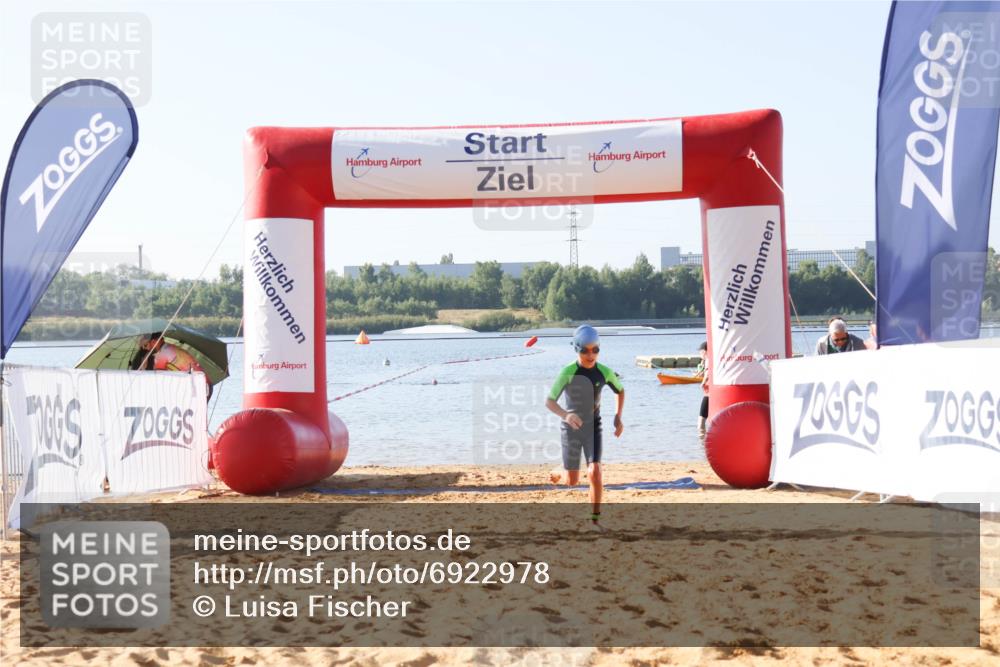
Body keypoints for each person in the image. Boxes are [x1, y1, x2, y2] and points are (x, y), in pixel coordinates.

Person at [545, 325, 625, 526]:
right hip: (570, 429)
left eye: (595, 350)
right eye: (585, 350)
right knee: (572, 481)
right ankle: (559, 470)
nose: (591, 355)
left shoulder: (605, 372)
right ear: (576, 349)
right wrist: (565, 415)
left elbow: (620, 391)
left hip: (593, 427)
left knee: (594, 471)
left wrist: (618, 416)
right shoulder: (568, 371)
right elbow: (550, 401)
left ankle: (595, 519)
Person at [135, 333, 213, 399]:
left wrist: (143, 368)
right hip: (203, 384)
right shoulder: (169, 348)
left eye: (145, 345)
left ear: (154, 342)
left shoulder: (162, 355)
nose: (146, 349)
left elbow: (156, 380)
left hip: (198, 387)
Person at [696, 341, 710, 438]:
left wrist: (703, 382)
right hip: (709, 393)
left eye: (700, 352)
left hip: (709, 393)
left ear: (705, 351)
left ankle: (701, 439)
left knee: (701, 418)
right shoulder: (706, 361)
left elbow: (708, 372)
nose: (699, 354)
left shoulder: (708, 359)